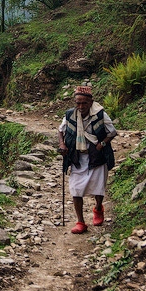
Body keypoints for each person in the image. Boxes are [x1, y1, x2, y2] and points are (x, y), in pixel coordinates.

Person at [58, 85, 117, 234]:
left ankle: (98, 208)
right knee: (75, 189)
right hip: (77, 157)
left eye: (84, 103)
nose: (81, 106)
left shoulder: (100, 114)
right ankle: (81, 222)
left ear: (91, 102)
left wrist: (102, 144)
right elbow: (61, 131)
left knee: (98, 188)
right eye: (78, 103)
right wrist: (62, 144)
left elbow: (112, 132)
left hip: (96, 157)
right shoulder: (70, 115)